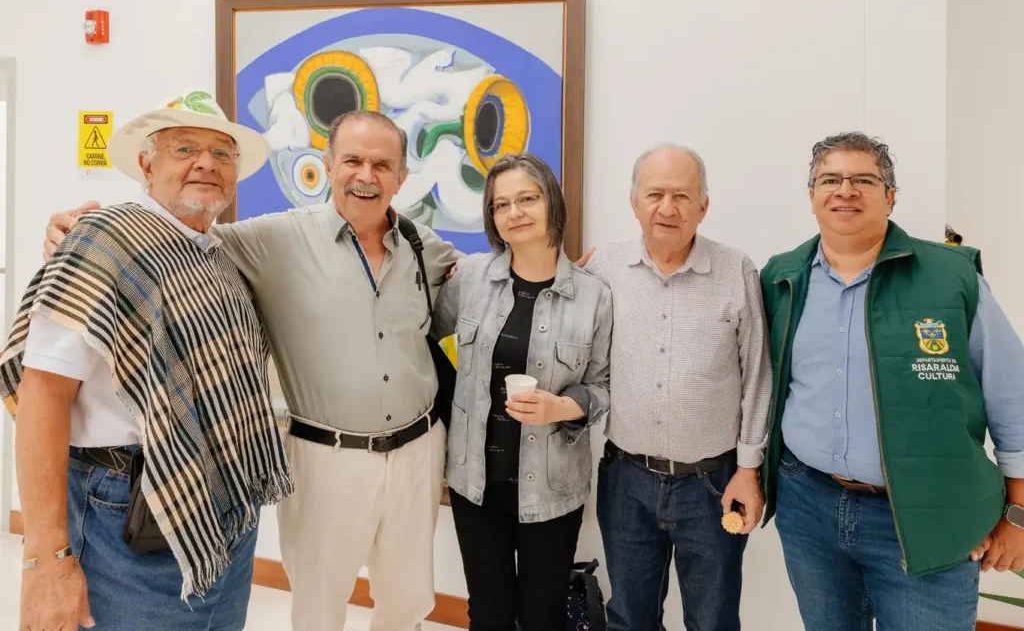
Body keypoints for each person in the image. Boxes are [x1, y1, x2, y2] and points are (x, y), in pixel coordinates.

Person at [43, 109, 461, 631]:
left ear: (401, 176)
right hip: (324, 458)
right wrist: (78, 233)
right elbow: (176, 232)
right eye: (352, 160)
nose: (366, 176)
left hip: (418, 450)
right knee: (319, 604)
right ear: (329, 166)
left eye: (382, 165)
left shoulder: (425, 247)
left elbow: (488, 280)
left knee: (408, 600)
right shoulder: (272, 240)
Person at [4, 89, 293, 631]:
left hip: (221, 510)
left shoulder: (216, 254)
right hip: (126, 517)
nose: (206, 162)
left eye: (222, 153)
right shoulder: (103, 242)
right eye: (185, 148)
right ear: (146, 165)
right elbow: (43, 391)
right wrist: (46, 560)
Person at [759, 132, 1024, 630]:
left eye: (863, 179)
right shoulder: (782, 277)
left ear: (890, 195)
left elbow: (1013, 398)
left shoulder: (951, 277)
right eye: (830, 180)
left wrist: (1018, 514)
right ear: (812, 196)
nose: (845, 190)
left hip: (927, 516)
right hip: (809, 508)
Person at [575, 144, 772, 631]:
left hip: (712, 484)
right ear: (634, 202)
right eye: (655, 194)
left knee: (713, 621)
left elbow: (758, 375)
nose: (668, 208)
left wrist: (749, 470)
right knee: (629, 619)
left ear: (703, 205)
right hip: (626, 480)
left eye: (682, 196)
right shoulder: (604, 267)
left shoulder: (736, 269)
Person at [431, 153, 613, 631]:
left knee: (542, 617)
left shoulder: (594, 296)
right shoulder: (470, 278)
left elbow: (603, 386)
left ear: (551, 201)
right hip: (475, 483)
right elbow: (430, 342)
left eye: (527, 199)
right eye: (501, 204)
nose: (514, 212)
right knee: (488, 615)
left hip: (552, 488)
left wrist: (562, 406)